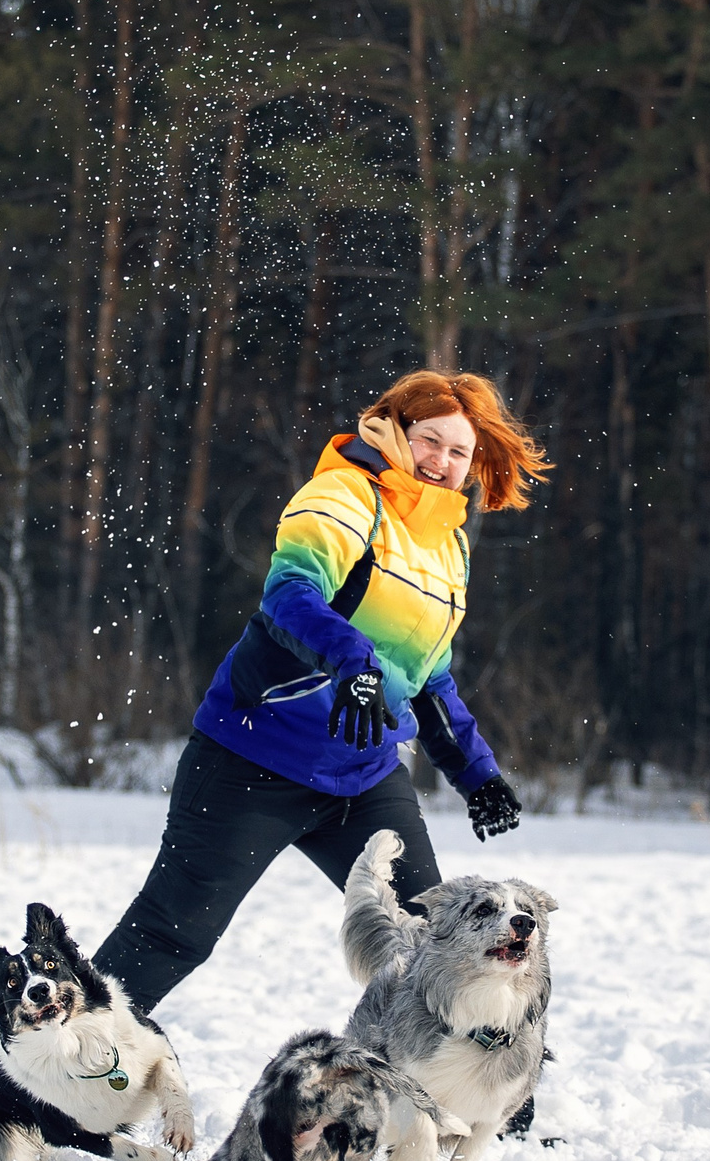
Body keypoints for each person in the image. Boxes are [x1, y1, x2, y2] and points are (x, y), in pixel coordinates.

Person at [93, 371, 549, 1017]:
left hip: (363, 777)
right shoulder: (345, 492)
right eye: (430, 440)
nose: (441, 461)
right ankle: (39, 1055)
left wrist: (478, 775)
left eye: (458, 451)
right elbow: (291, 593)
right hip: (254, 760)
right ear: (396, 430)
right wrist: (352, 662)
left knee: (433, 946)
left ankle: (458, 1084)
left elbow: (426, 674)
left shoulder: (448, 544)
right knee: (173, 934)